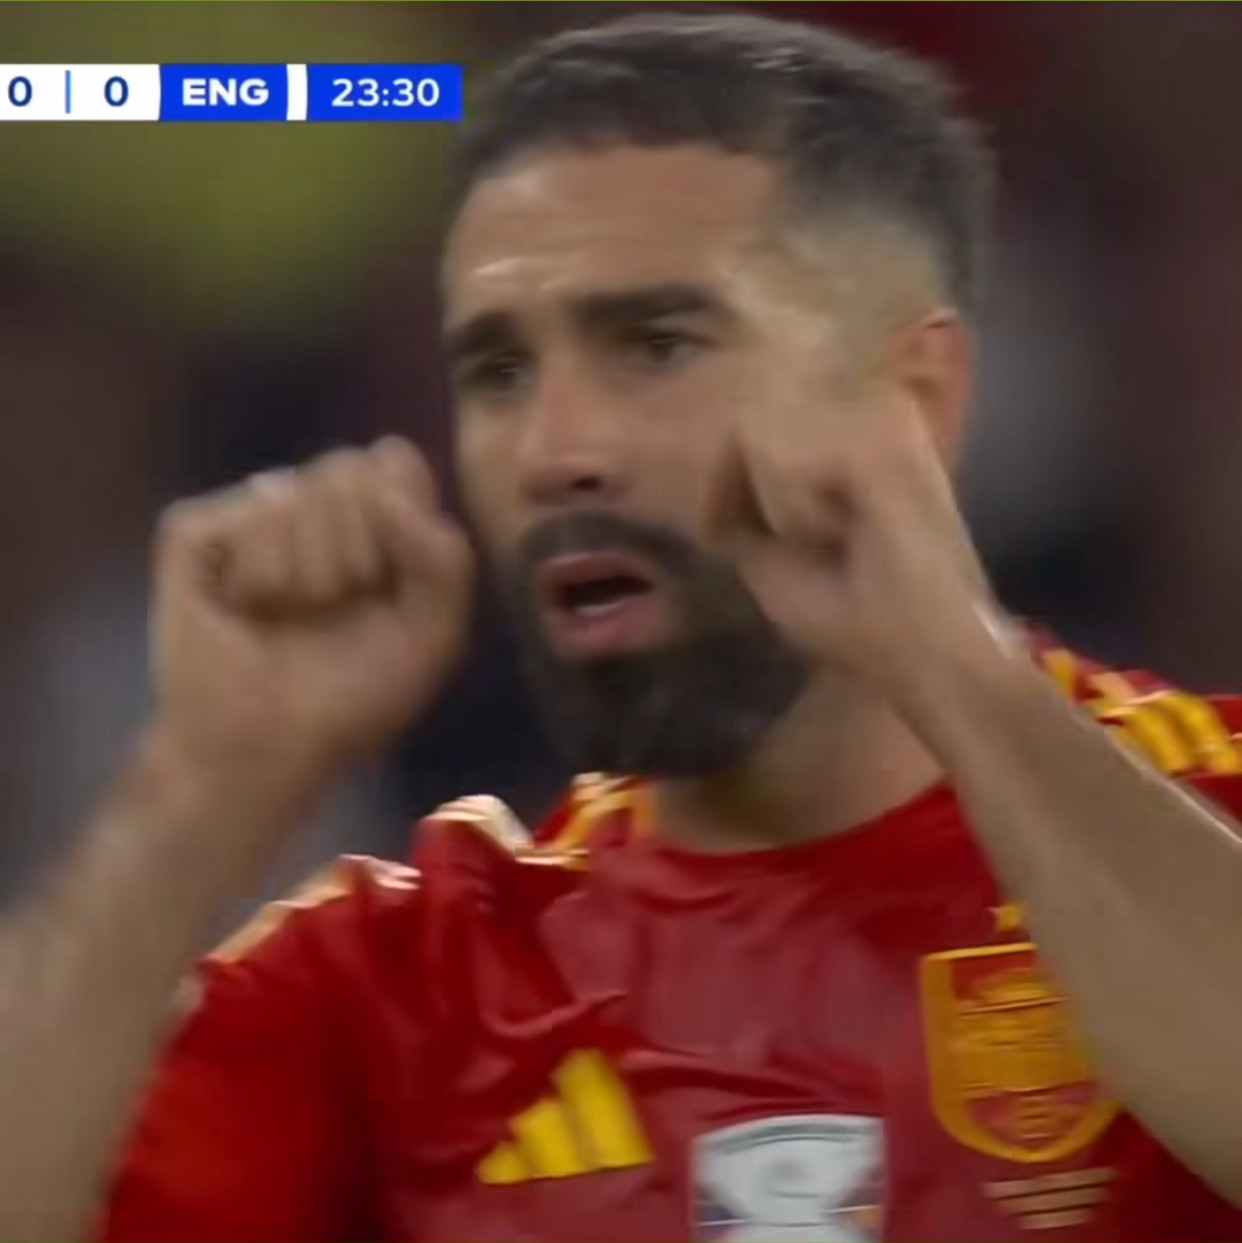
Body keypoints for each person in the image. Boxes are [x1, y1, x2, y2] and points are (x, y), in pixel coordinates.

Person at [4, 12, 1242, 1242]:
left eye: (654, 346)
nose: (556, 449)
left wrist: (952, 657)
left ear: (912, 395)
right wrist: (199, 789)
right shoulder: (417, 979)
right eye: (499, 371)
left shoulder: (1205, 803)